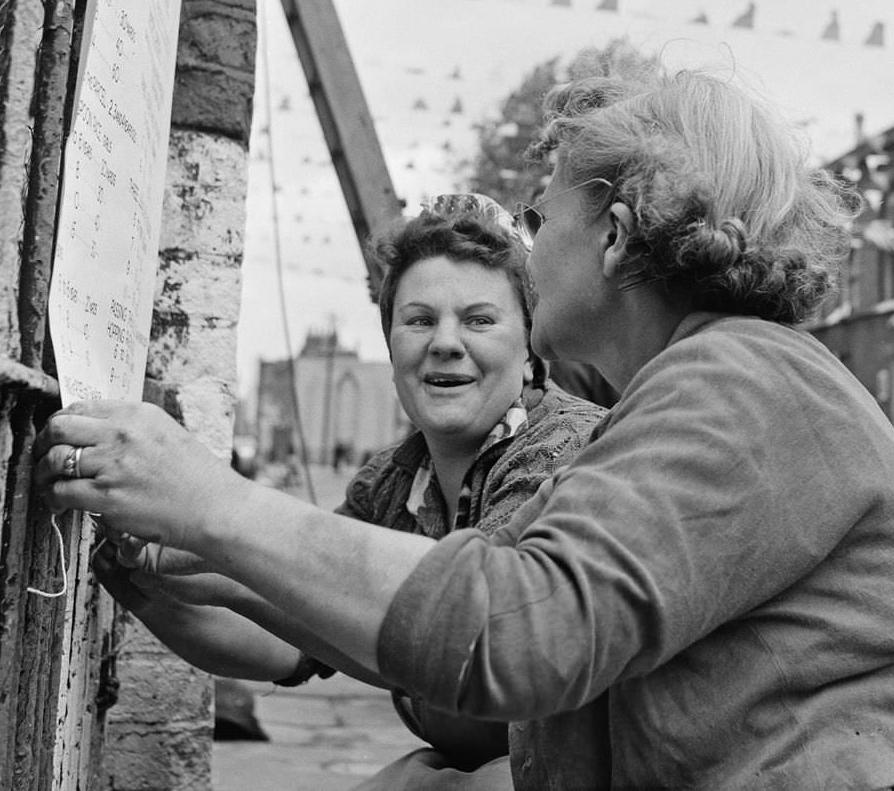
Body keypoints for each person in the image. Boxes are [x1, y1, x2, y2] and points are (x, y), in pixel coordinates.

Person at [36, 68, 894, 791]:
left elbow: (523, 632)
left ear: (616, 235)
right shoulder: (713, 378)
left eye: (540, 214)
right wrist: (204, 561)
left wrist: (215, 506)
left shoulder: (739, 379)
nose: (529, 239)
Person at [89, 194, 607, 787]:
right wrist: (148, 584)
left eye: (479, 319)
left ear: (531, 348)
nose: (443, 341)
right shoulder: (391, 480)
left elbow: (475, 655)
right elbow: (291, 647)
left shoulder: (562, 453)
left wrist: (220, 528)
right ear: (390, 345)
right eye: (417, 319)